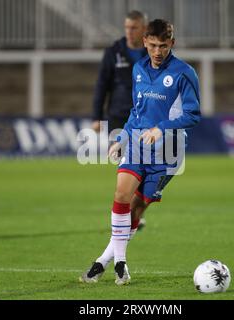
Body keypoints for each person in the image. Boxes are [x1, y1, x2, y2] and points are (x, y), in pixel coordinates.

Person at [80, 19, 201, 285]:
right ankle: (121, 263)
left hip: (168, 154)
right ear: (145, 42)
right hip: (136, 145)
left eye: (164, 46)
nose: (158, 52)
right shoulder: (138, 69)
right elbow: (137, 112)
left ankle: (103, 261)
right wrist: (121, 137)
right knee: (121, 194)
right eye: (153, 45)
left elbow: (194, 114)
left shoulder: (184, 73)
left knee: (137, 209)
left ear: (172, 44)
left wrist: (162, 128)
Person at [92, 10, 148, 230]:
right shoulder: (114, 51)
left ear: (143, 28)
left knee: (143, 166)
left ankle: (132, 213)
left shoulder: (153, 50)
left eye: (134, 27)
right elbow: (101, 85)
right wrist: (97, 116)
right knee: (127, 165)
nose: (129, 32)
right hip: (118, 116)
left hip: (144, 117)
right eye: (127, 27)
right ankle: (126, 213)